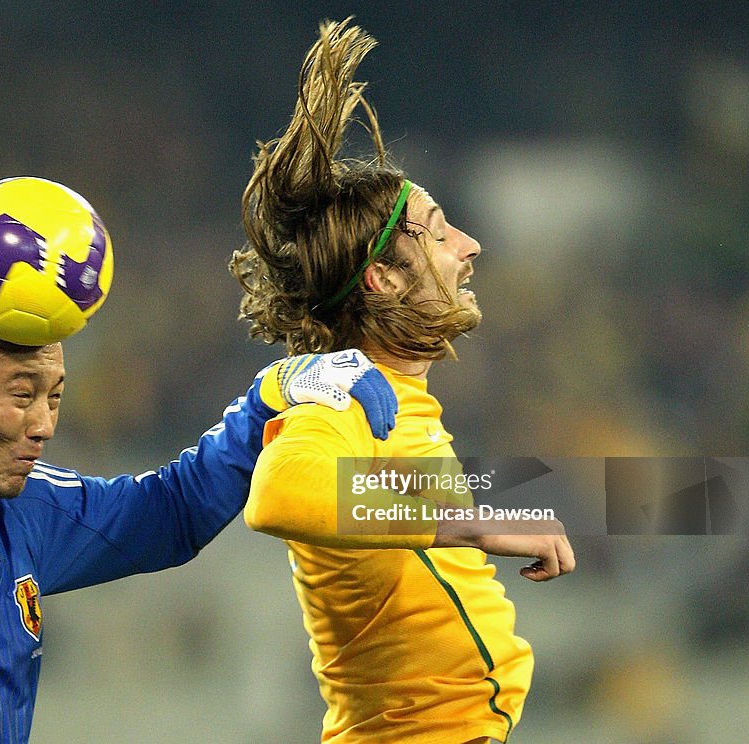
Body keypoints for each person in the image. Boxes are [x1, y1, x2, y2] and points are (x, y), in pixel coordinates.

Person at [0, 250, 399, 743]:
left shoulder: (25, 507)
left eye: (55, 396)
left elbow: (168, 513)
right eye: (22, 394)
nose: (45, 424)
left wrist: (267, 400)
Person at [230, 19, 575, 744]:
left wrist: (519, 500)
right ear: (383, 277)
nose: (470, 246)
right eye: (441, 230)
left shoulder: (403, 400)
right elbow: (278, 493)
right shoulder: (338, 394)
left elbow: (427, 500)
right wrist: (482, 517)